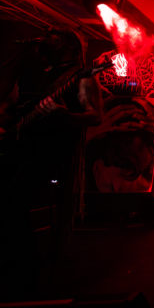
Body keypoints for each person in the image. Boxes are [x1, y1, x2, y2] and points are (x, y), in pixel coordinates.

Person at [0, 28, 102, 298]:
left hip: (53, 153)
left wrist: (65, 116)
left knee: (13, 203)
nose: (46, 39)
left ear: (68, 46)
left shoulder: (81, 77)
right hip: (22, 146)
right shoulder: (35, 73)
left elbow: (95, 116)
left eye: (53, 36)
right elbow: (10, 105)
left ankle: (27, 274)